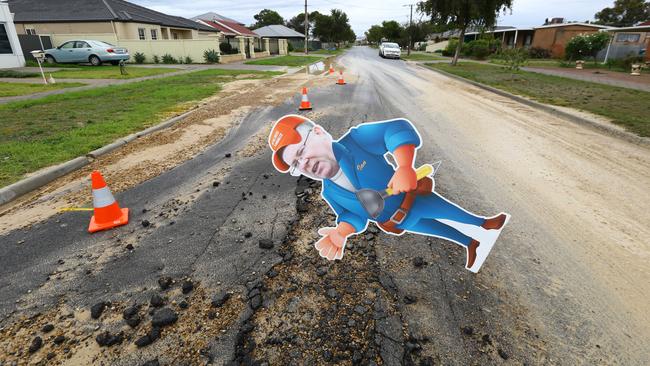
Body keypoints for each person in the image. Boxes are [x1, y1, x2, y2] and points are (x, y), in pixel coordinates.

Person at [268, 114, 510, 272]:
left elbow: (395, 130)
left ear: (319, 132)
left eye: (301, 151)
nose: (304, 163)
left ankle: (484, 223)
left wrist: (404, 166)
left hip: (413, 200)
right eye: (296, 164)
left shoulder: (356, 141)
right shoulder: (329, 192)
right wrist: (343, 230)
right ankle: (470, 243)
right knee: (438, 230)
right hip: (395, 222)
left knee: (450, 213)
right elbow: (353, 215)